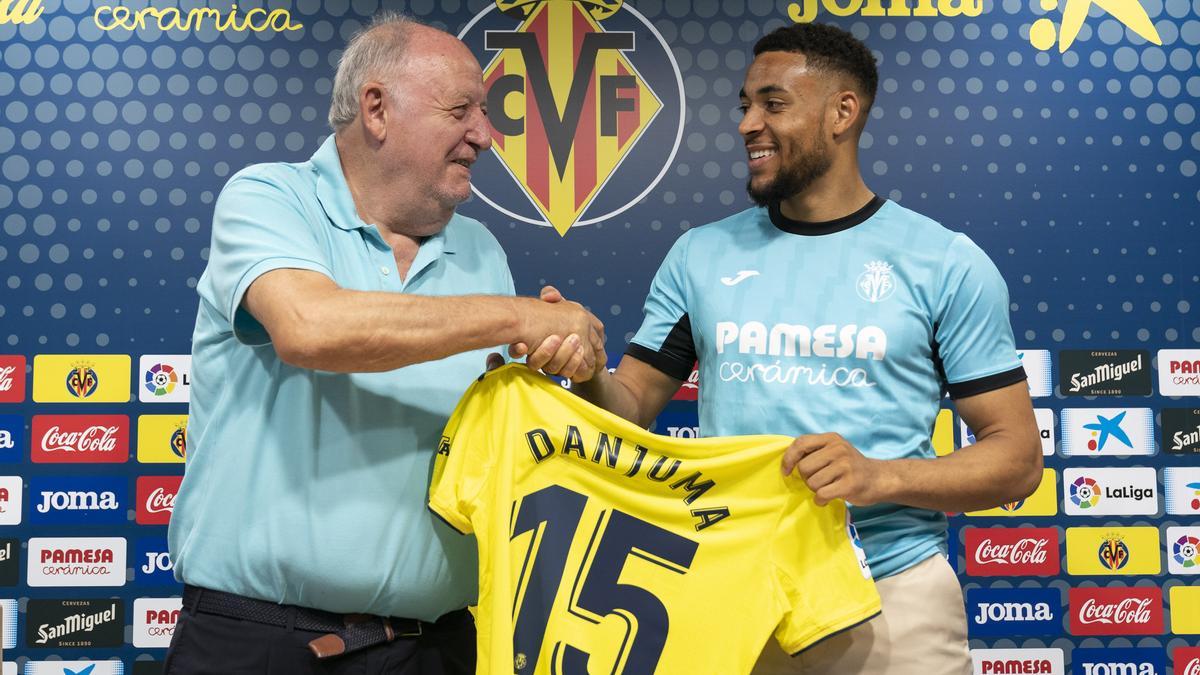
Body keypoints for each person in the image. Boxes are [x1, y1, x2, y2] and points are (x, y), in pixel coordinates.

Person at [543, 22, 1042, 675]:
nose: (748, 124)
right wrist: (586, 374)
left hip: (891, 595)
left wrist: (882, 475)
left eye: (773, 104)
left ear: (843, 112)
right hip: (731, 589)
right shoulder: (701, 255)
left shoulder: (943, 262)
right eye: (745, 106)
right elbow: (631, 403)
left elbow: (1017, 457)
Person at [166, 14, 604, 675]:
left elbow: (502, 438)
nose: (485, 136)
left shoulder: (481, 249)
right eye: (462, 110)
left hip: (434, 646)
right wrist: (517, 319)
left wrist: (564, 359)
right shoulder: (268, 197)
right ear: (376, 109)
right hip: (259, 644)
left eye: (484, 113)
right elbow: (311, 328)